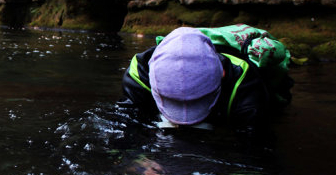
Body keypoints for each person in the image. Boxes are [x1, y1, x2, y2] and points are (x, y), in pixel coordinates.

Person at [122, 25, 292, 135]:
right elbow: (126, 126)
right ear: (152, 79)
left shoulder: (244, 81)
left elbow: (257, 142)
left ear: (223, 74)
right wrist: (137, 161)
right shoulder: (140, 72)